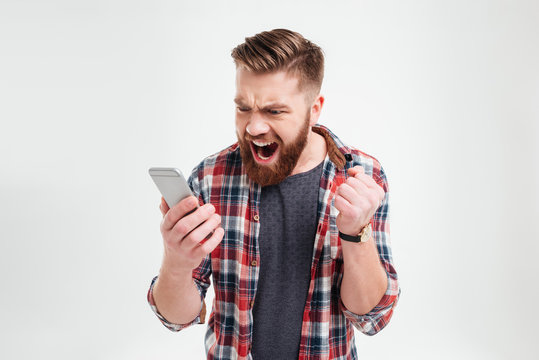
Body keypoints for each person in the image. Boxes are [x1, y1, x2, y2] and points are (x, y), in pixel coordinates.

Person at [147, 28, 400, 360]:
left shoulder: (362, 178)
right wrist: (177, 264)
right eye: (243, 108)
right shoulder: (211, 177)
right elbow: (175, 318)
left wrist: (356, 236)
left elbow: (370, 316)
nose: (253, 127)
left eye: (274, 111)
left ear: (314, 109)